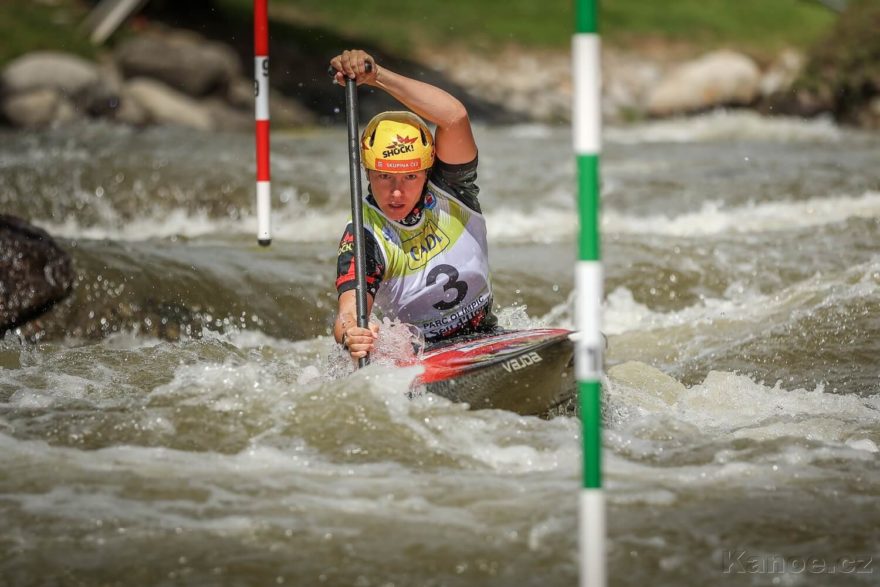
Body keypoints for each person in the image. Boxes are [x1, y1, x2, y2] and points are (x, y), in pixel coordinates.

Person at [330, 49, 497, 360]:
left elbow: (454, 116)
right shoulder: (364, 235)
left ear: (426, 170)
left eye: (409, 177)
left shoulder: (452, 188)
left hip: (485, 334)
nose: (396, 192)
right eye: (383, 177)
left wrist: (377, 75)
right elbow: (348, 310)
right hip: (423, 357)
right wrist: (351, 332)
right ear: (367, 171)